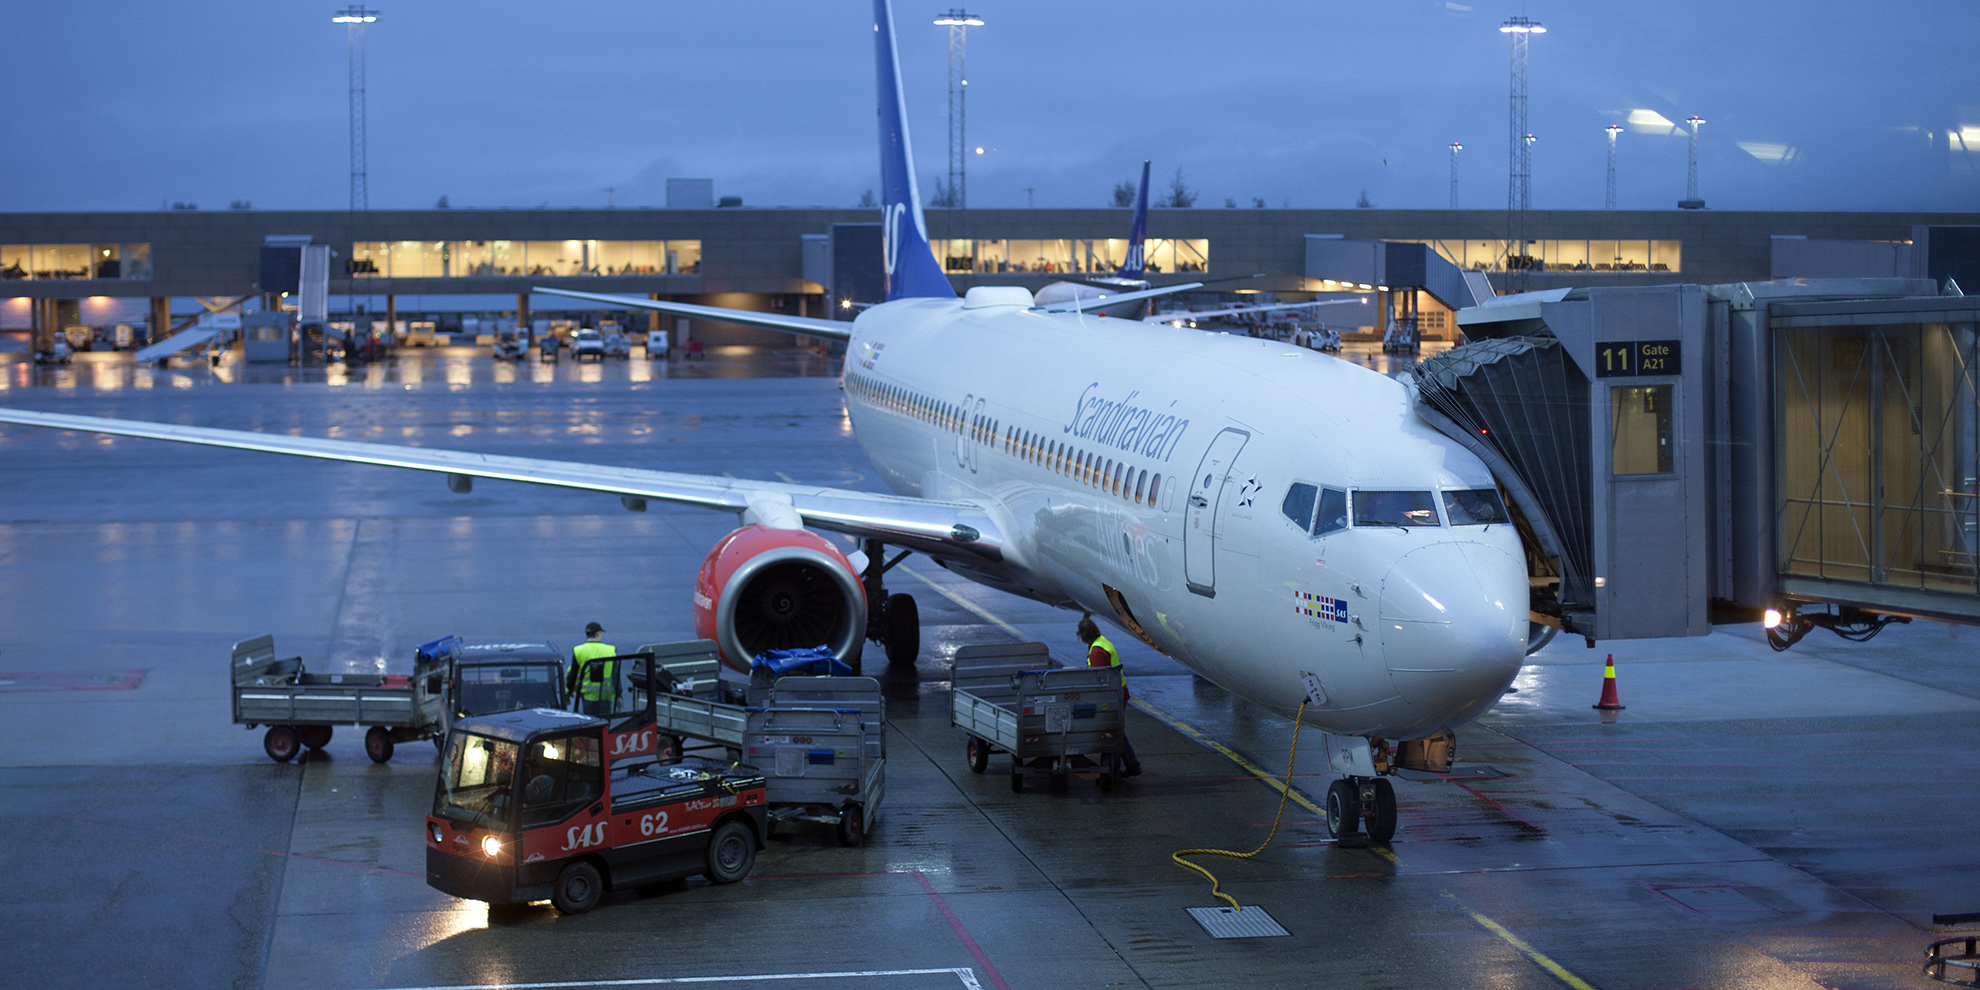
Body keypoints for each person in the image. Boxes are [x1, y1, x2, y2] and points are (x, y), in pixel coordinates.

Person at [1077, 616, 1142, 777]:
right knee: (1117, 731)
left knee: (1110, 732)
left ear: (1084, 636)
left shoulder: (1097, 652)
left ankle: (1114, 773)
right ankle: (1133, 766)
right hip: (1119, 692)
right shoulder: (1102, 642)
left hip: (1112, 697)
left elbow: (1101, 681)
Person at [568, 622, 620, 716]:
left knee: (590, 725)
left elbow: (572, 676)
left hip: (588, 697)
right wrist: (619, 695)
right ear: (598, 633)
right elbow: (615, 676)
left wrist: (568, 693)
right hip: (605, 697)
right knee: (604, 725)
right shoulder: (610, 650)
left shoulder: (578, 650)